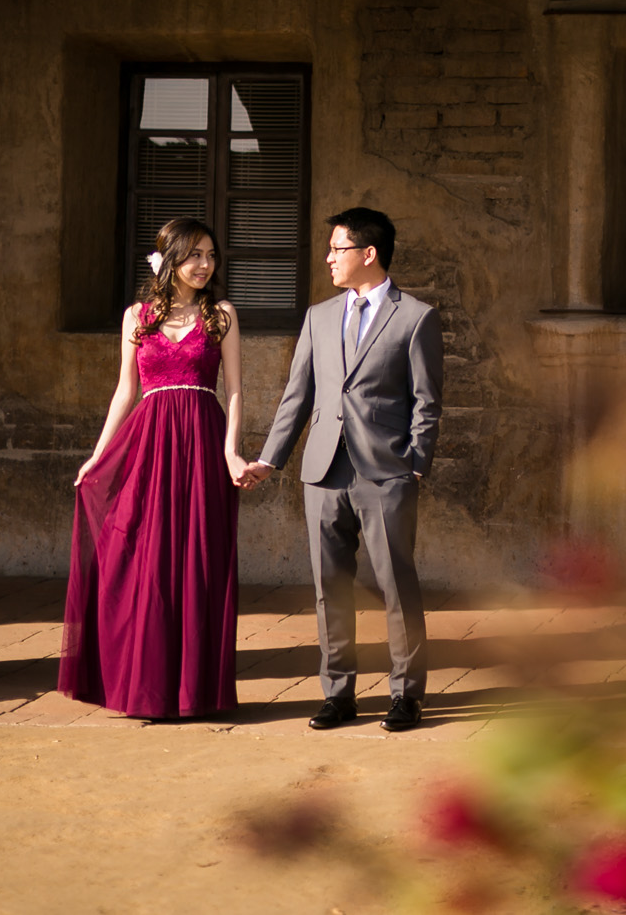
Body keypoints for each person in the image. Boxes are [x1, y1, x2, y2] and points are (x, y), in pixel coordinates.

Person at [237, 206, 442, 732]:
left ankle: (406, 694)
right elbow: (296, 396)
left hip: (386, 473)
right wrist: (270, 458)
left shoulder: (415, 317)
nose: (328, 258)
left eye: (337, 248)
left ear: (368, 253)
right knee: (330, 585)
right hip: (323, 472)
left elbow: (427, 402)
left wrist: (415, 466)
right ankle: (338, 693)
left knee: (397, 584)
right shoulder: (319, 317)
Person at [59, 217, 248, 719]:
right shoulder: (136, 317)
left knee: (199, 562)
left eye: (211, 255)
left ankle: (194, 692)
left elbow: (233, 392)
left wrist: (232, 452)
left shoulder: (222, 315)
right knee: (142, 558)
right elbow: (125, 391)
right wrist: (98, 455)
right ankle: (143, 686)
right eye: (195, 255)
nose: (205, 265)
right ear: (170, 259)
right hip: (148, 443)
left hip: (204, 442)